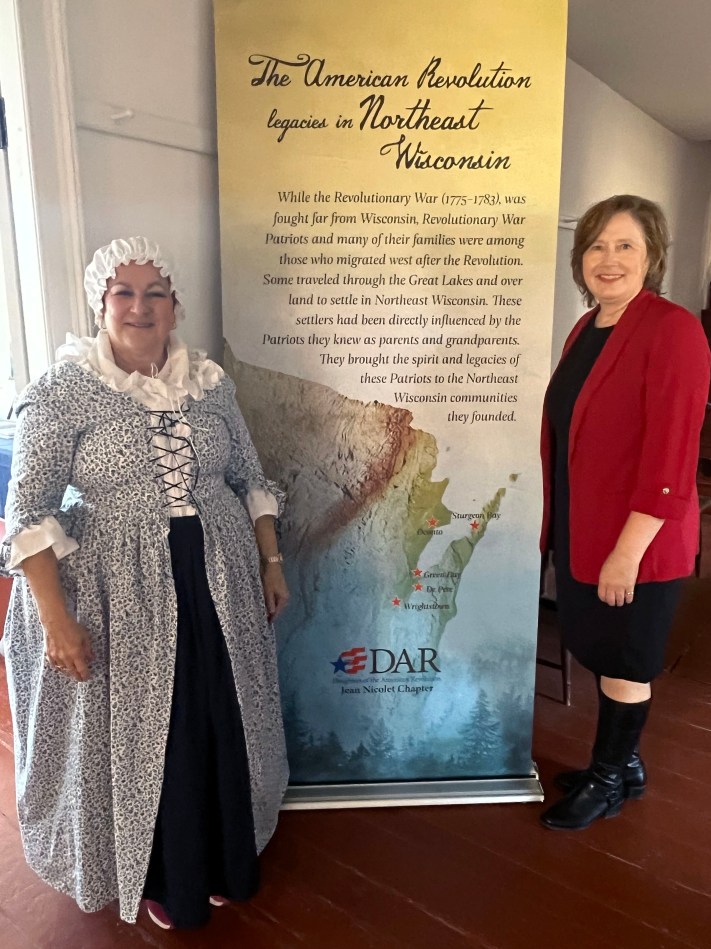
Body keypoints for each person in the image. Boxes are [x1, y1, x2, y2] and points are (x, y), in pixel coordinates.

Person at [1, 237, 290, 927]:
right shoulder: (64, 388)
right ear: (100, 305)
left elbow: (249, 477)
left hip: (214, 575)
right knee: (154, 728)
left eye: (153, 293)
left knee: (219, 713)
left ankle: (224, 853)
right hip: (118, 587)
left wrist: (270, 560)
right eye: (122, 293)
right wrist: (56, 619)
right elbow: (27, 513)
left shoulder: (210, 383)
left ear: (173, 305)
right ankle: (161, 869)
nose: (139, 306)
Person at [539, 195, 710, 830]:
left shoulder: (672, 330)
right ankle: (624, 764)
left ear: (653, 256)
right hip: (585, 527)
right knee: (599, 649)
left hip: (636, 542)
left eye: (625, 245)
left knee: (626, 660)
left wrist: (625, 552)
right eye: (595, 246)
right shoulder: (587, 329)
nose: (607, 259)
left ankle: (609, 781)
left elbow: (670, 462)